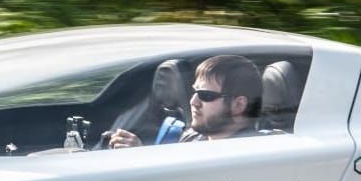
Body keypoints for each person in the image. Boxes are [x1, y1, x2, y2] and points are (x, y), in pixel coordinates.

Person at [108, 54, 262, 148]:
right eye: (195, 92)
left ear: (238, 105)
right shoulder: (193, 137)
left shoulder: (253, 158)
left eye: (206, 95)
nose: (193, 101)